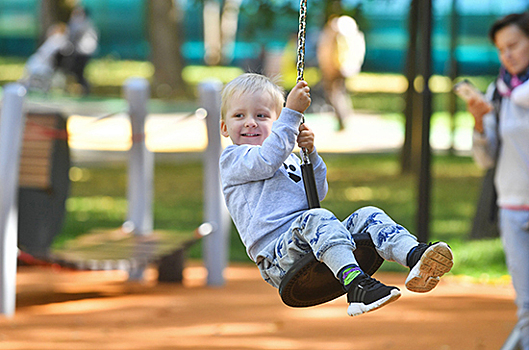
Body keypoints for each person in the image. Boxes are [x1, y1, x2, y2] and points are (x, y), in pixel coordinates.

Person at [219, 73, 454, 317]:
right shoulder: (233, 159)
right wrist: (292, 114)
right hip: (277, 257)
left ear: (275, 123)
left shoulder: (286, 158)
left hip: (309, 239)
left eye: (261, 115)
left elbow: (317, 192)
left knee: (368, 214)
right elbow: (266, 160)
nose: (250, 123)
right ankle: (357, 286)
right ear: (225, 127)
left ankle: (414, 255)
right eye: (239, 116)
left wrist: (311, 154)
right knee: (317, 218)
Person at [463, 12, 529, 349]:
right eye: (502, 50)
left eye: (515, 45)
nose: (508, 55)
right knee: (527, 306)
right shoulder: (499, 93)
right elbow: (484, 159)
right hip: (513, 209)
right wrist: (478, 122)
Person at [64, 6, 98, 95]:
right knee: (77, 71)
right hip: (83, 51)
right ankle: (83, 88)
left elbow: (73, 34)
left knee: (78, 71)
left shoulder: (81, 23)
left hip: (83, 51)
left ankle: (85, 89)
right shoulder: (87, 23)